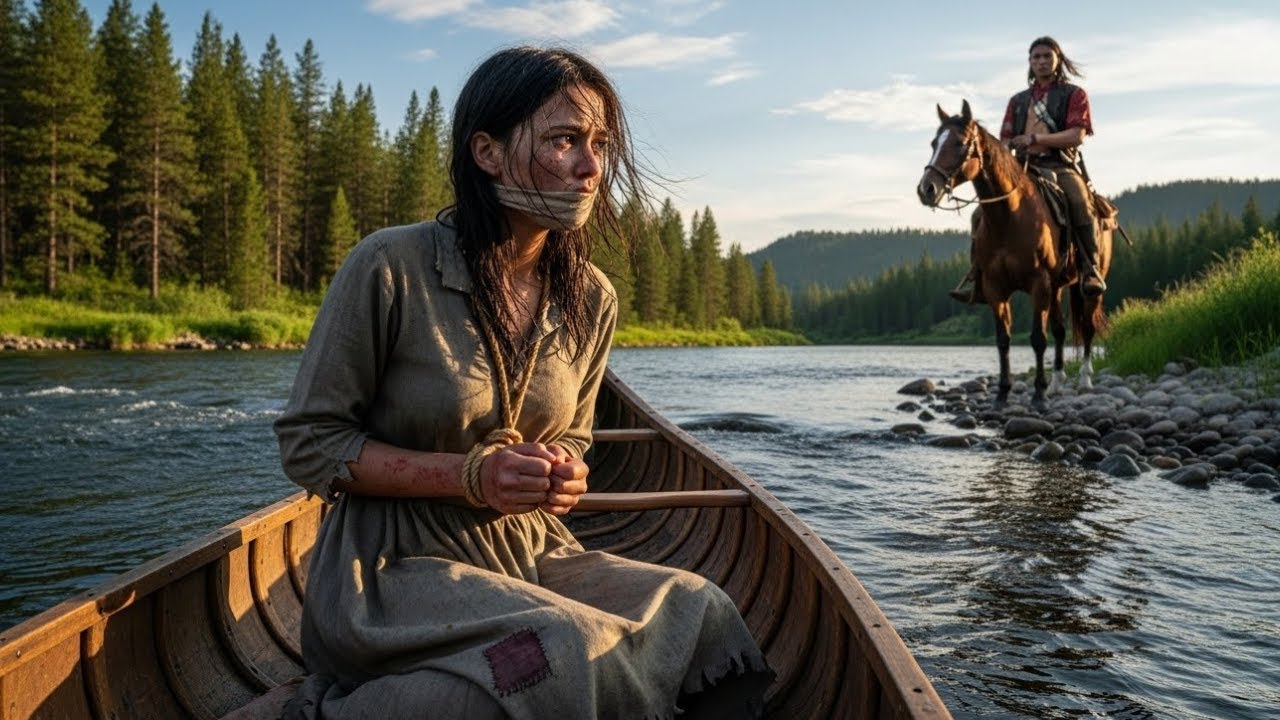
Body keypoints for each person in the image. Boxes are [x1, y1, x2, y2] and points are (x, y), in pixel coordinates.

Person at [273, 46, 771, 720]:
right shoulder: (390, 266)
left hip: (529, 553)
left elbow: (573, 434)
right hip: (389, 570)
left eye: (599, 144)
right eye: (565, 141)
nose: (592, 168)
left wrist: (565, 469)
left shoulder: (592, 297)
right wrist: (469, 477)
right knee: (558, 648)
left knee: (700, 610)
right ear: (489, 153)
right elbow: (310, 445)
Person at [949, 35, 1106, 303]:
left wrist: (1036, 139)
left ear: (1058, 60)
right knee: (979, 214)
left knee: (1080, 202)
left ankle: (1090, 269)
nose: (1042, 61)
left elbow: (1077, 135)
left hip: (1061, 165)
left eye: (1047, 56)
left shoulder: (1074, 94)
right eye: (1036, 57)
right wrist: (1009, 146)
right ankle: (977, 276)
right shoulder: (1018, 101)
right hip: (1022, 169)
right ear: (1030, 63)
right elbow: (1005, 139)